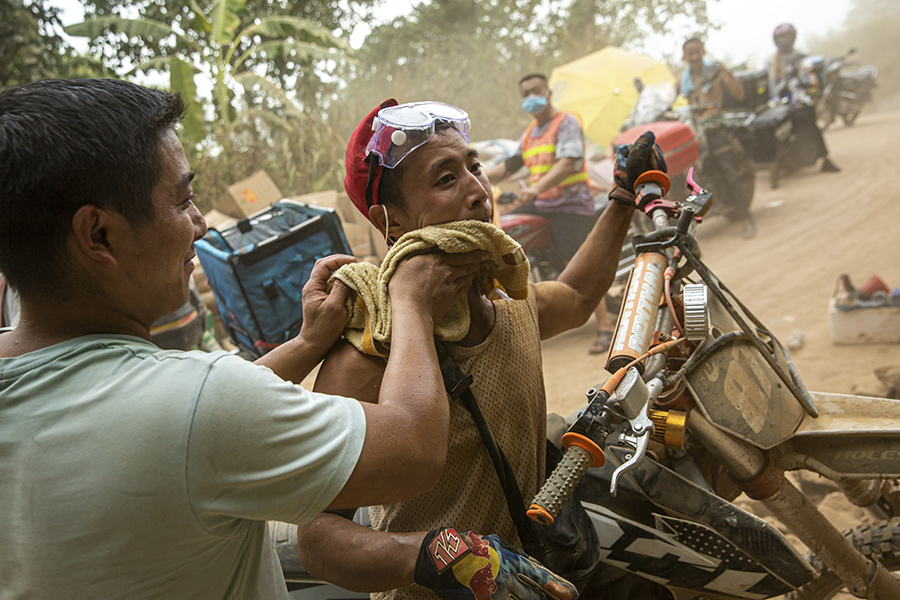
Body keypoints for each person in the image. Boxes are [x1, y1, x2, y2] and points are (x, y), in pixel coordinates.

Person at [0, 79, 493, 599]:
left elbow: (191, 421)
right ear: (99, 235)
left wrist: (306, 345)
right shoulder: (197, 401)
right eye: (183, 200)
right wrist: (410, 303)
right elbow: (413, 451)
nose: (200, 227)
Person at [295, 98, 665, 599]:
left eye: (475, 168)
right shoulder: (370, 348)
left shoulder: (507, 293)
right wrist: (433, 556)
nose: (478, 191)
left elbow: (577, 298)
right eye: (446, 179)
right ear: (392, 222)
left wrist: (622, 196)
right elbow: (318, 537)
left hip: (544, 571)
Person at [484, 73, 616, 355]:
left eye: (535, 90)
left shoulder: (566, 122)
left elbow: (568, 163)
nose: (531, 96)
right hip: (544, 203)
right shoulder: (530, 133)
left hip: (571, 204)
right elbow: (511, 163)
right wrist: (478, 176)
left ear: (549, 92)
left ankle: (605, 324)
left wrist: (536, 187)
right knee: (506, 233)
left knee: (578, 262)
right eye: (525, 93)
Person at [679, 37, 758, 239]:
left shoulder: (714, 71)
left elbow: (739, 94)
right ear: (684, 56)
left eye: (698, 51)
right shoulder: (683, 80)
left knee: (727, 168)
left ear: (703, 51)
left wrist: (727, 74)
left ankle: (746, 218)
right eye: (691, 53)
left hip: (715, 125)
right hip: (694, 131)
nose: (695, 56)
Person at [764, 23, 840, 173]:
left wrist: (811, 93)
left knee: (808, 118)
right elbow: (768, 85)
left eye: (787, 37)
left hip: (799, 99)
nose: (784, 41)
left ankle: (824, 158)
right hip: (775, 102)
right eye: (781, 37)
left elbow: (810, 81)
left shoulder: (803, 58)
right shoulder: (770, 61)